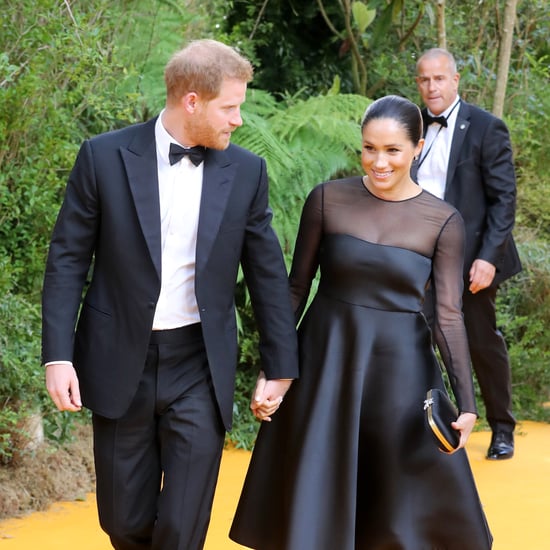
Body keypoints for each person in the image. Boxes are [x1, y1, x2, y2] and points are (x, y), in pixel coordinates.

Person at [41, 39, 298, 550]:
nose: (239, 121)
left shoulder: (246, 172)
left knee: (183, 526)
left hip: (199, 363)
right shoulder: (103, 157)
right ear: (192, 102)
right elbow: (68, 259)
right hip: (118, 360)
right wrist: (58, 357)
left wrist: (280, 363)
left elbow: (267, 272)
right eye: (231, 107)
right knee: (124, 522)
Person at [229, 95, 492, 549]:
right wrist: (274, 368)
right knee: (315, 496)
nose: (379, 161)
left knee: (394, 502)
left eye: (392, 150)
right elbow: (294, 291)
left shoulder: (443, 221)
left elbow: (449, 315)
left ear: (418, 147)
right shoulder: (328, 200)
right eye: (369, 148)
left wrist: (467, 403)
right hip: (325, 363)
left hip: (400, 376)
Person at [412, 48, 522, 460]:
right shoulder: (411, 125)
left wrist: (489, 258)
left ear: (455, 80)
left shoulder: (487, 127)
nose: (431, 87)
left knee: (480, 342)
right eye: (424, 80)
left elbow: (504, 199)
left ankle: (502, 427)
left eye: (439, 78)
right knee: (419, 338)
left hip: (473, 256)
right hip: (420, 256)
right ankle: (437, 423)